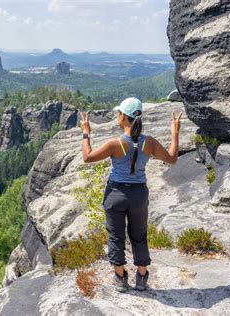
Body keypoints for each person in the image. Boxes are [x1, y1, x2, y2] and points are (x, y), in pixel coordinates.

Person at [79, 97, 182, 292]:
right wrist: (175, 134)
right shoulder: (148, 142)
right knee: (139, 235)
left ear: (123, 118)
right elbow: (172, 158)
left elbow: (87, 157)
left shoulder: (115, 143)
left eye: (118, 114)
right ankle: (141, 277)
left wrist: (86, 133)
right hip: (139, 195)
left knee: (116, 236)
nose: (117, 117)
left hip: (116, 193)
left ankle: (120, 277)